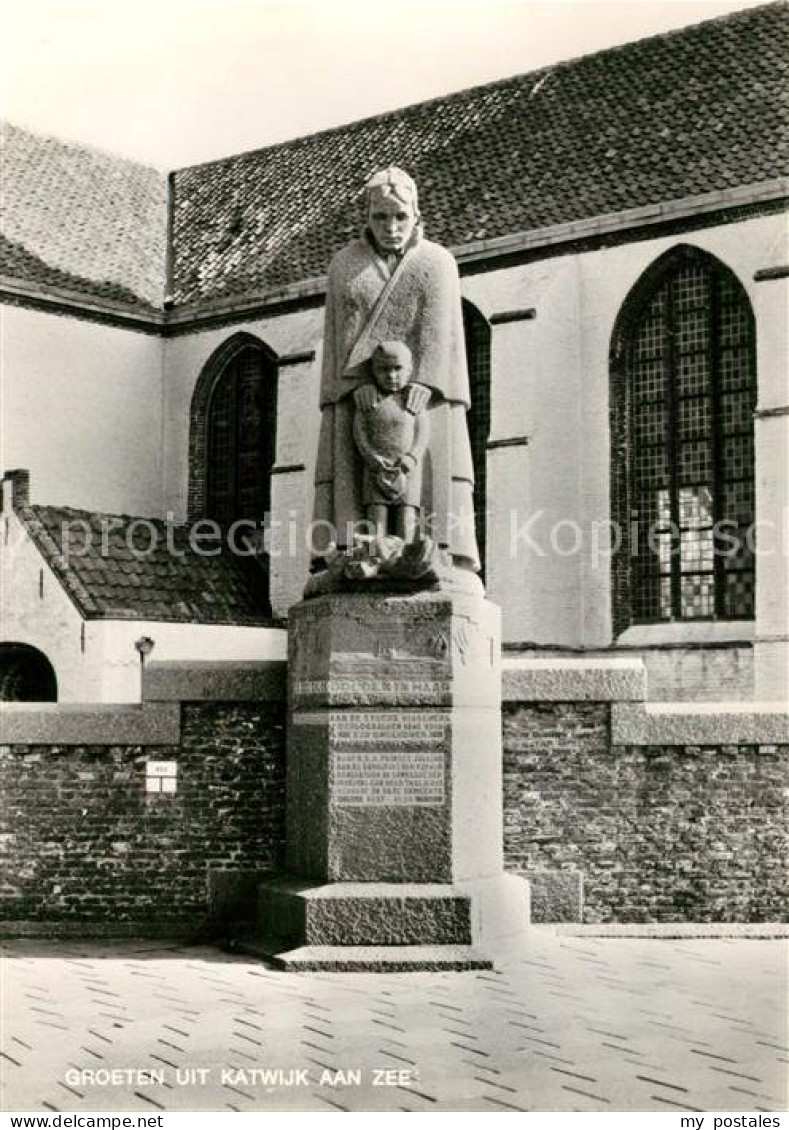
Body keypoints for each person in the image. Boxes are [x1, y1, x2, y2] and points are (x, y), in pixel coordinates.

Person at [312, 166, 479, 573]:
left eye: (400, 216)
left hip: (423, 397)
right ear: (366, 218)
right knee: (359, 491)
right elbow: (340, 334)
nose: (391, 227)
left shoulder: (437, 262)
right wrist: (353, 387)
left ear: (416, 215)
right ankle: (353, 553)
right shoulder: (345, 265)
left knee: (423, 488)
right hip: (362, 401)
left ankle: (432, 553)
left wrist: (426, 382)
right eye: (381, 217)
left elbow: (441, 331)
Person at [353, 340, 430, 544]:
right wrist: (372, 458)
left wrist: (412, 458)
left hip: (407, 471)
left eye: (398, 369)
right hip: (376, 470)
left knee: (407, 516)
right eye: (384, 369)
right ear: (373, 371)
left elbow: (422, 433)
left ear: (410, 369)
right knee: (375, 519)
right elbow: (359, 433)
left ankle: (406, 557)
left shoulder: (413, 403)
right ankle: (372, 559)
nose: (391, 376)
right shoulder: (368, 402)